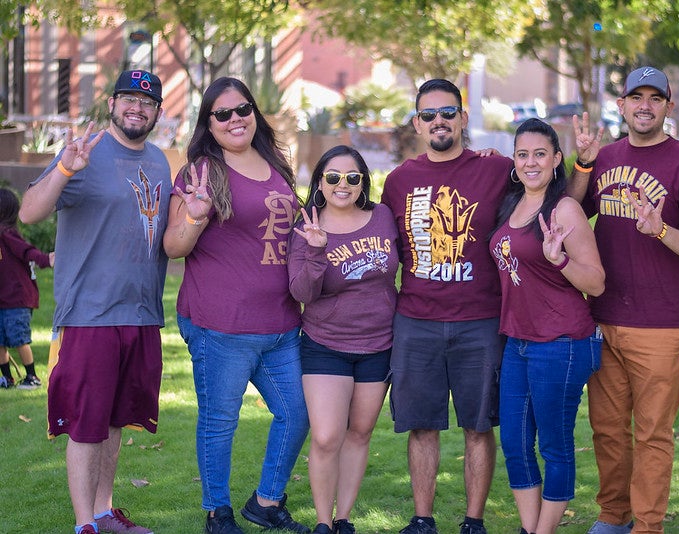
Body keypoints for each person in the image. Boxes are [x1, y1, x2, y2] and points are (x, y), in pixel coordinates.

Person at [567, 66, 679, 534]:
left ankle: (648, 526)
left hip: (661, 321)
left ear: (667, 108)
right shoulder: (605, 155)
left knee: (653, 433)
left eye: (654, 98)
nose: (644, 105)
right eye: (635, 97)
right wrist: (581, 165)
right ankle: (614, 516)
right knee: (608, 430)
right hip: (603, 315)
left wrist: (660, 229)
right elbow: (573, 210)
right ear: (621, 105)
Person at [19, 69, 170, 534]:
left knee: (116, 422)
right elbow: (28, 212)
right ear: (111, 103)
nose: (137, 108)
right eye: (128, 98)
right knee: (86, 425)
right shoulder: (86, 153)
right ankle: (85, 525)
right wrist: (65, 168)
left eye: (146, 102)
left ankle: (104, 513)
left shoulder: (160, 161)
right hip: (90, 316)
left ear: (157, 111)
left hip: (141, 314)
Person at [162, 76, 310, 534]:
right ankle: (217, 512)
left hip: (281, 324)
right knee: (219, 421)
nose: (234, 119)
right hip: (221, 324)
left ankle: (266, 501)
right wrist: (195, 215)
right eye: (221, 113)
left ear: (254, 113)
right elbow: (173, 246)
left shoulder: (275, 164)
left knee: (297, 412)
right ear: (209, 123)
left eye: (242, 109)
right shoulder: (201, 174)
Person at [380, 78, 514, 534]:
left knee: (480, 426)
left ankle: (473, 521)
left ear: (463, 116)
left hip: (480, 319)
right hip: (415, 320)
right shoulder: (399, 181)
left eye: (448, 112)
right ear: (418, 123)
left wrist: (586, 164)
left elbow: (546, 198)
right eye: (429, 114)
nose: (439, 121)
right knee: (421, 425)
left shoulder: (498, 171)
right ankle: (423, 519)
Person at [490, 119, 605, 534]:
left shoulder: (565, 209)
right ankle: (529, 527)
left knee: (555, 447)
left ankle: (544, 531)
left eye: (540, 153)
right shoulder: (511, 203)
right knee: (516, 445)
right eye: (523, 154)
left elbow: (596, 281)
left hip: (561, 342)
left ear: (557, 160)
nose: (531, 162)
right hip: (517, 340)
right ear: (514, 161)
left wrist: (559, 259)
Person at [288, 145, 399, 534]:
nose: (342, 185)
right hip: (325, 344)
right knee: (326, 436)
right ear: (320, 182)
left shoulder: (382, 216)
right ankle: (322, 521)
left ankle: (344, 518)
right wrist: (317, 251)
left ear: (363, 182)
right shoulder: (307, 227)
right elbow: (302, 292)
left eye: (352, 177)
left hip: (379, 344)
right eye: (333, 177)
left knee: (359, 433)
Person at [0, 187, 54, 389]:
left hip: (17, 299)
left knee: (19, 338)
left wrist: (45, 259)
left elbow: (26, 251)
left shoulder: (8, 235)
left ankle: (32, 376)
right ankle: (7, 378)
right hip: (2, 299)